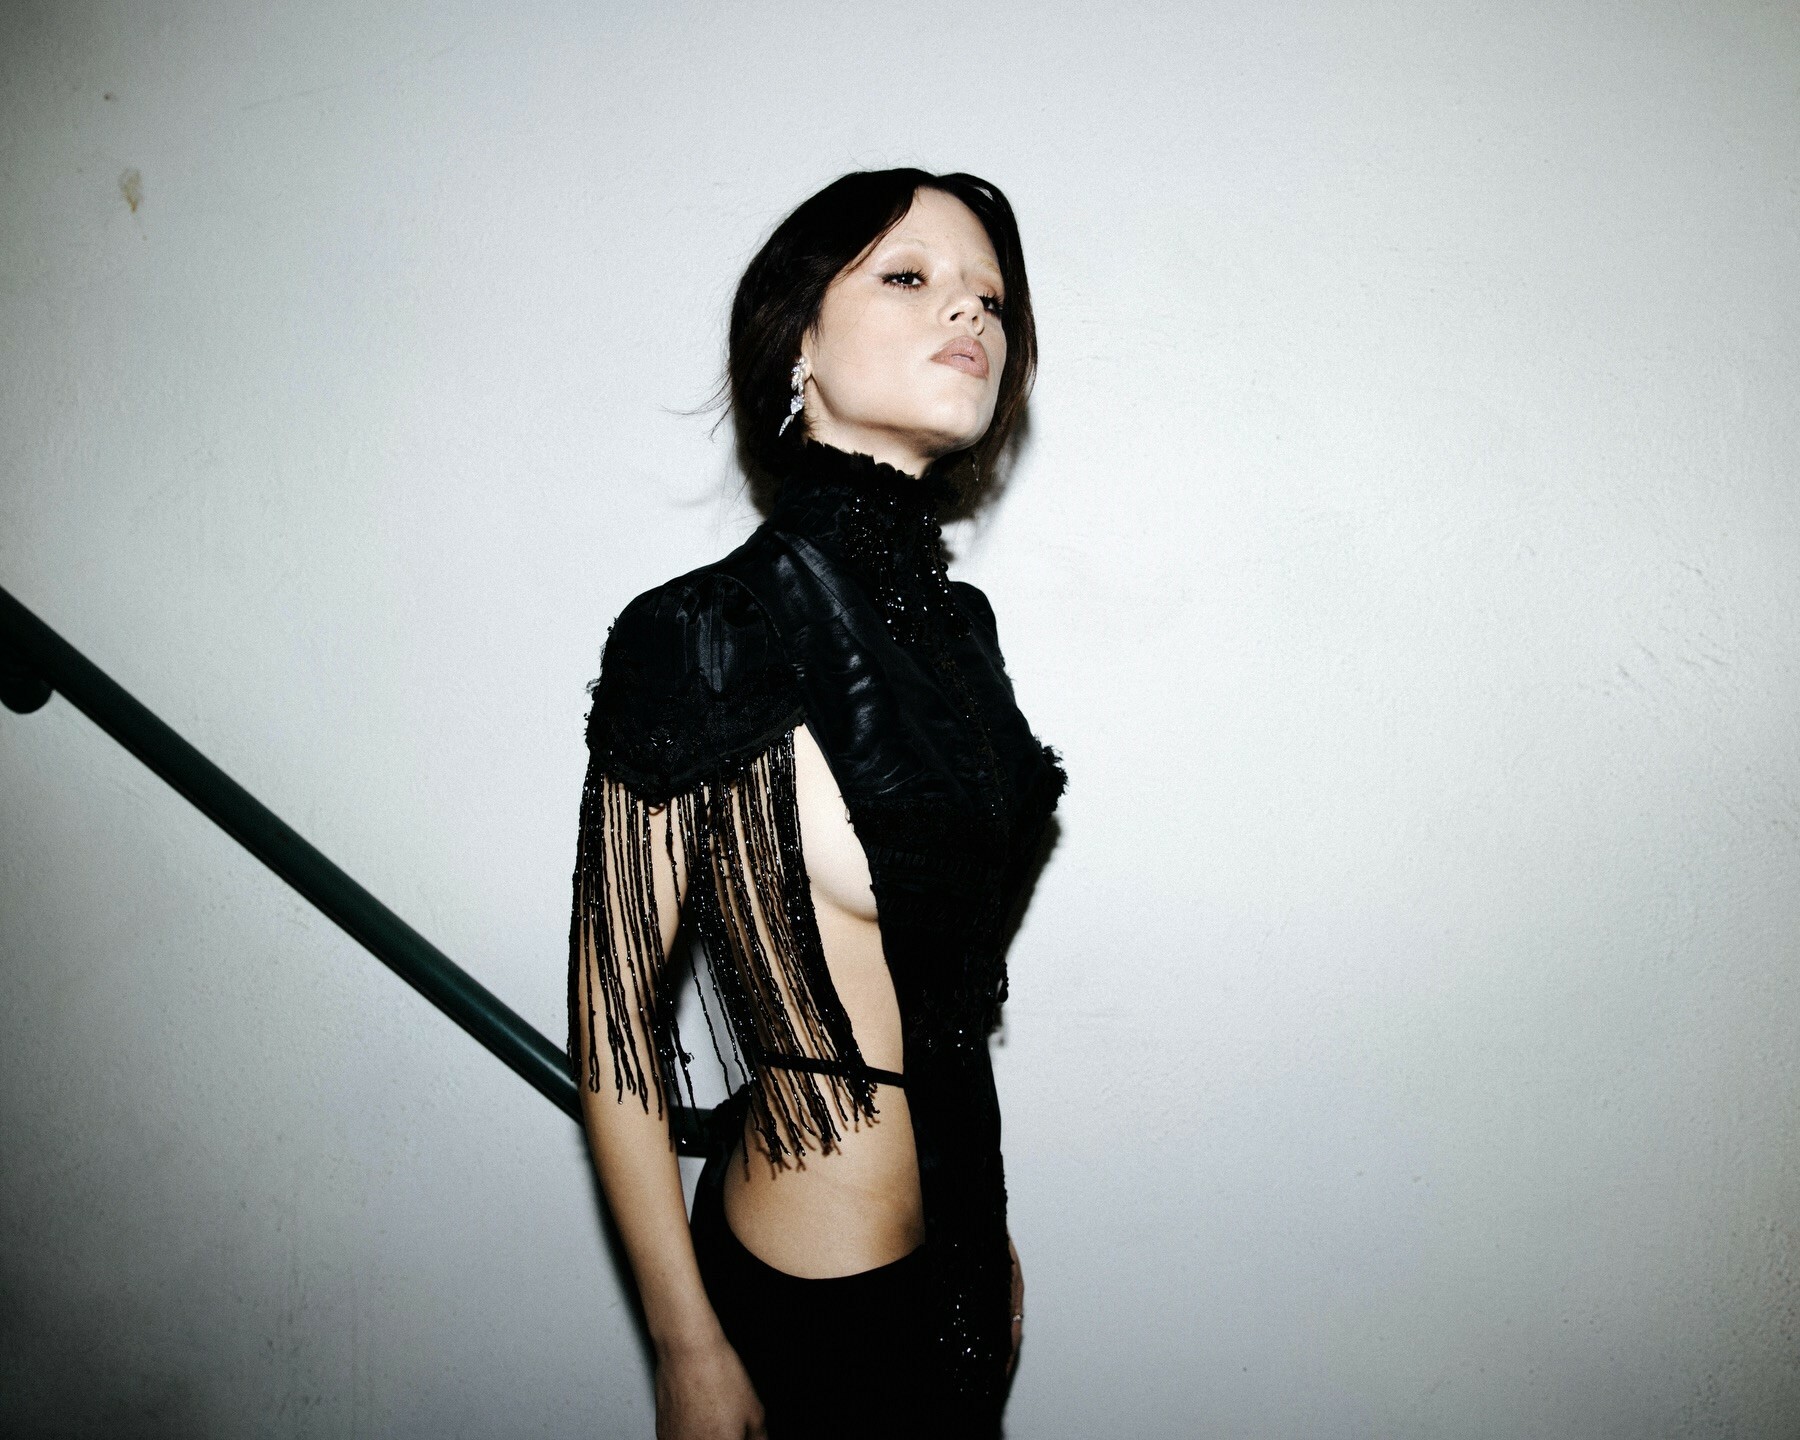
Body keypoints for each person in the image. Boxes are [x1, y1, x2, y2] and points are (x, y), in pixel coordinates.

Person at [567, 168, 1067, 1440]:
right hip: (808, 1303)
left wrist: (982, 1229)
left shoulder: (962, 630)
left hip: (958, 1263)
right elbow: (617, 1021)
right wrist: (684, 1346)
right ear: (797, 338)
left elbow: (941, 993)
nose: (971, 313)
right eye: (910, 277)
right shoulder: (702, 632)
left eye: (992, 298)